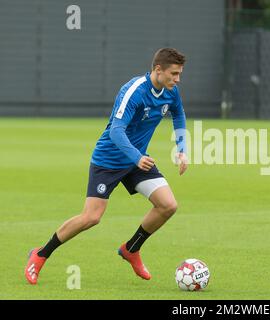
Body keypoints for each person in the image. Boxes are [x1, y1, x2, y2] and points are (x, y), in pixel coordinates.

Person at [25, 48, 189, 284]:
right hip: (109, 160)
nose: (178, 79)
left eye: (180, 74)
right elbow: (116, 131)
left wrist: (182, 150)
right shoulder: (134, 92)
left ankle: (131, 249)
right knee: (91, 217)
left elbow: (179, 115)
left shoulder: (171, 92)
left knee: (168, 205)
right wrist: (136, 157)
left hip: (136, 160)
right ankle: (40, 254)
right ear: (158, 70)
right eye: (174, 74)